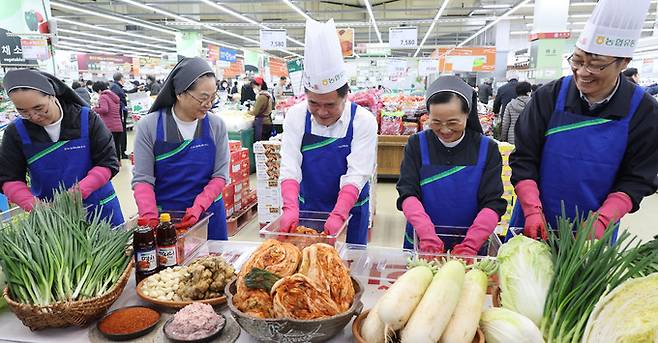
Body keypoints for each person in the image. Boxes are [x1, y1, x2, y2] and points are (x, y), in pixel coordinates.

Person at [509, 0, 658, 242]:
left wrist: (604, 218)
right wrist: (532, 209)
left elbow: (639, 177)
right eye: (577, 61)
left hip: (594, 230)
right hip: (533, 218)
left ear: (624, 63)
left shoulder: (644, 111)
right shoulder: (549, 96)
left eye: (596, 65)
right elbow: (524, 157)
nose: (583, 72)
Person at [278, 18, 378, 245]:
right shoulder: (296, 115)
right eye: (314, 103)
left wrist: (340, 214)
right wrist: (290, 207)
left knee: (347, 271)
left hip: (351, 211)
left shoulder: (364, 121)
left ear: (346, 95)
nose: (321, 112)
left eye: (330, 105)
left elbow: (358, 173)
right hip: (308, 209)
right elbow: (290, 165)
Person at [397, 76, 506, 255]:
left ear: (467, 115)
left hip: (471, 246)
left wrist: (471, 243)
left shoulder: (487, 149)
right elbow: (407, 193)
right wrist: (426, 233)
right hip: (423, 243)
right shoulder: (417, 144)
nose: (445, 130)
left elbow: (493, 203)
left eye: (453, 123)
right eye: (436, 122)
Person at [0, 69, 123, 226]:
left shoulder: (86, 119)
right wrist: (34, 206)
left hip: (100, 209)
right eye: (23, 111)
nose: (34, 116)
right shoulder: (16, 132)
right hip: (51, 217)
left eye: (39, 108)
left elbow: (107, 163)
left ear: (52, 96)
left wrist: (78, 192)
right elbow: (9, 179)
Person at [132, 57, 230, 240]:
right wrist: (149, 217)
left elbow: (220, 175)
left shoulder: (215, 125)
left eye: (213, 97)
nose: (209, 104)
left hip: (210, 215)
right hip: (167, 219)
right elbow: (143, 179)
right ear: (180, 93)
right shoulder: (150, 126)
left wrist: (200, 205)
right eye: (203, 98)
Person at [92, 81, 123, 160]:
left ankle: (113, 163)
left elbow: (105, 109)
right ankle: (118, 162)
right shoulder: (113, 96)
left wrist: (94, 109)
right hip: (118, 125)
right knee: (117, 145)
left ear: (99, 90)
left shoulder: (103, 96)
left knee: (111, 146)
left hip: (110, 126)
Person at [248, 76, 274, 142]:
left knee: (260, 145)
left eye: (254, 87)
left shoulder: (261, 97)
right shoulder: (267, 95)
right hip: (268, 122)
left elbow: (255, 112)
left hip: (262, 124)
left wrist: (246, 113)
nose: (253, 89)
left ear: (259, 86)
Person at [110, 73, 128, 159]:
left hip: (120, 113)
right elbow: (118, 100)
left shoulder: (116, 87)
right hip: (120, 114)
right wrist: (123, 107)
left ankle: (122, 152)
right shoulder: (115, 87)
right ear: (121, 78)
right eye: (124, 78)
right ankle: (122, 152)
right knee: (121, 133)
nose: (124, 80)